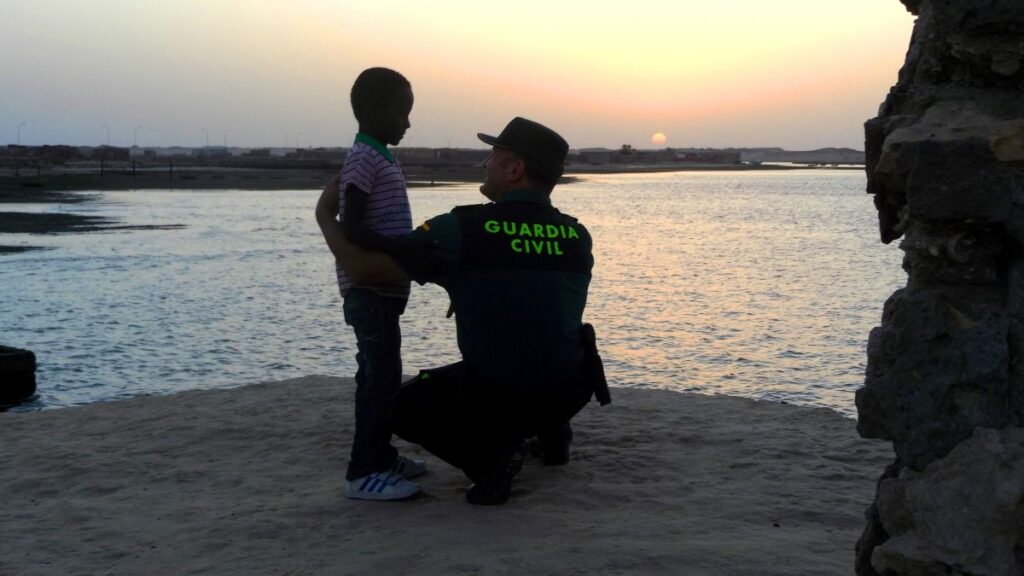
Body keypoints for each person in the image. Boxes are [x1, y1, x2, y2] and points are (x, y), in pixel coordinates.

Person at [319, 116, 605, 505]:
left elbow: (363, 269)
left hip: (504, 395)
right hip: (571, 391)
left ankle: (489, 460)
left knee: (402, 406)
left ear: (515, 169)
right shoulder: (578, 235)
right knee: (544, 336)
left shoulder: (460, 229)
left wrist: (325, 218)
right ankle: (553, 438)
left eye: (493, 155)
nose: (484, 163)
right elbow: (533, 291)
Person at [315, 67, 425, 501]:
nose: (408, 123)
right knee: (379, 377)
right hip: (370, 291)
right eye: (402, 113)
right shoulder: (364, 157)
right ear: (374, 111)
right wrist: (403, 250)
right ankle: (363, 472)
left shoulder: (378, 154)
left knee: (383, 373)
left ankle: (382, 454)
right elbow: (355, 225)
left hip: (384, 291)